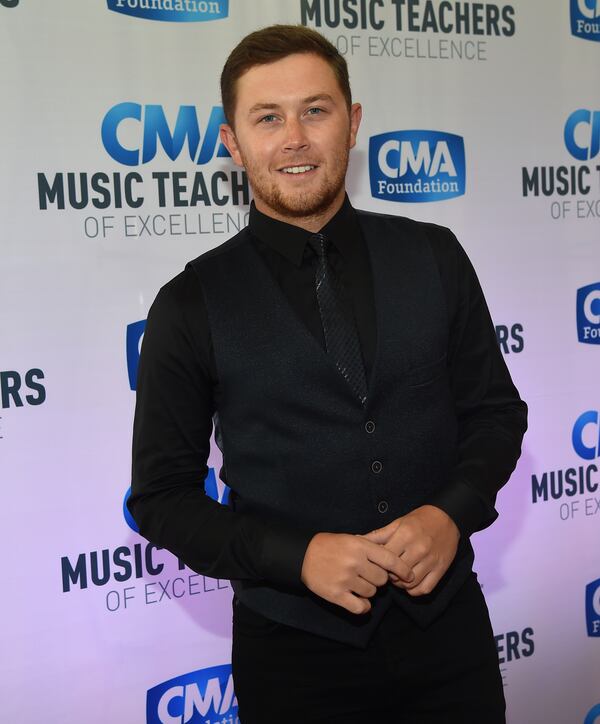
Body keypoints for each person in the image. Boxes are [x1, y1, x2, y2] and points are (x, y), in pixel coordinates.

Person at [129, 24, 527, 724]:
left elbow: (496, 413)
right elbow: (161, 498)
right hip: (292, 658)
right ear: (231, 142)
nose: (295, 138)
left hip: (449, 638)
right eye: (269, 117)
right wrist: (296, 556)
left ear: (354, 123)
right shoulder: (188, 303)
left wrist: (450, 514)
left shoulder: (435, 255)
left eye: (316, 110)